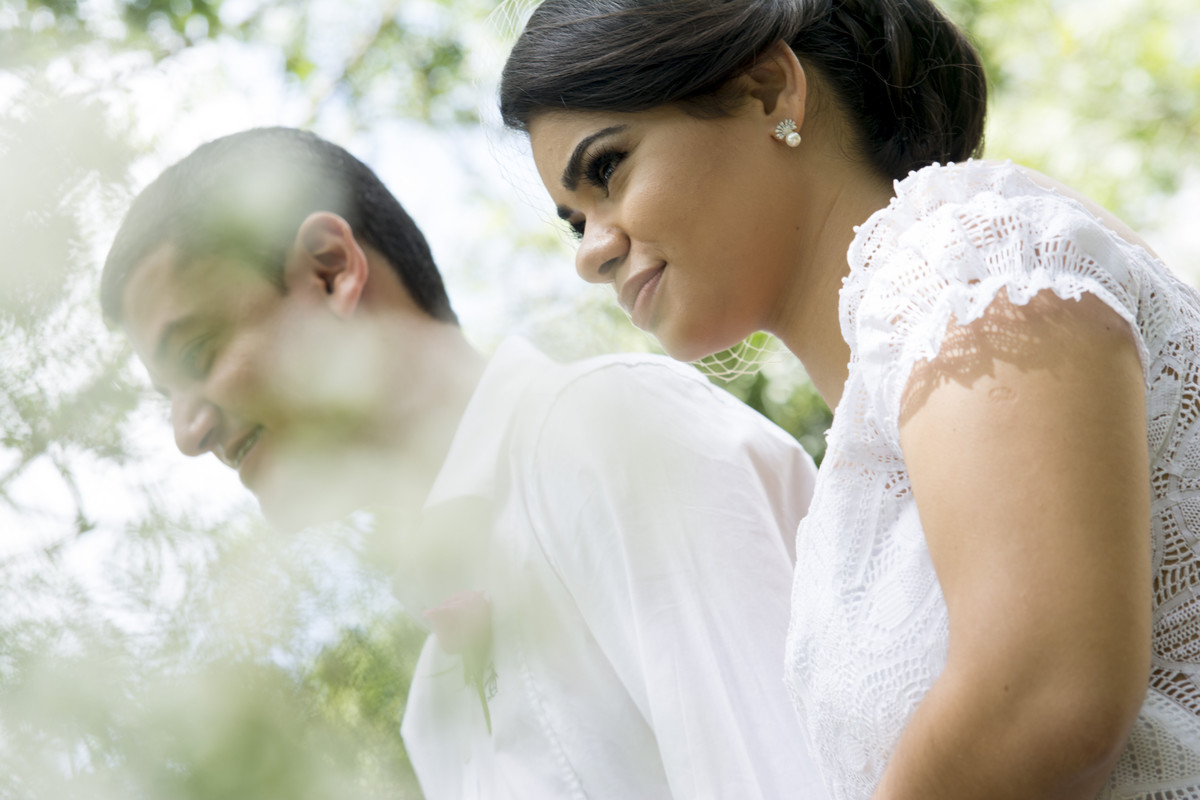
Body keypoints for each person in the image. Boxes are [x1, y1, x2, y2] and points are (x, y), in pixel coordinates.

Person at [499, 1, 1200, 798]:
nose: (592, 253)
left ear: (769, 90)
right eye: (573, 222)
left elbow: (1043, 697)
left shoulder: (967, 258)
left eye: (608, 170)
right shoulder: (858, 456)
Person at [99, 126, 831, 799]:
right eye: (167, 397)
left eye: (197, 355)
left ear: (329, 272)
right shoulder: (435, 708)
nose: (186, 433)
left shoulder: (606, 436)